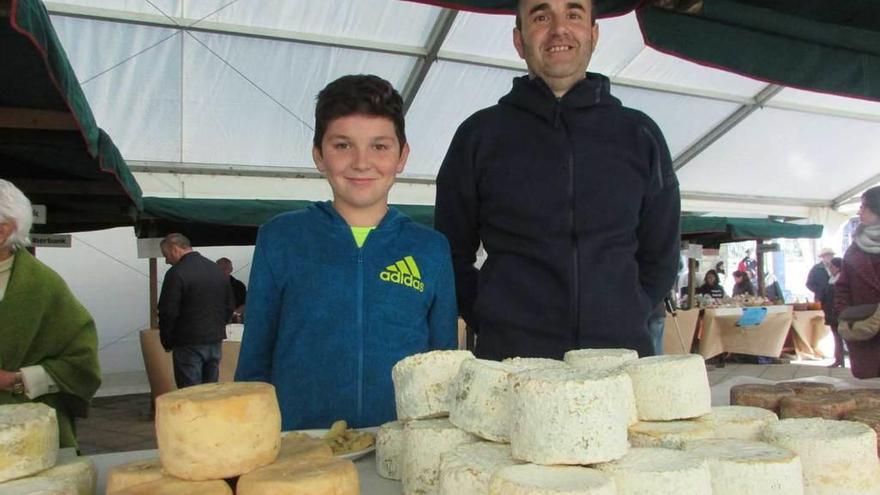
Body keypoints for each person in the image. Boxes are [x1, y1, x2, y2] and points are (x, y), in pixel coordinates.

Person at [434, 0, 680, 360]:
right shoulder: (479, 136)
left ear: (593, 35)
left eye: (574, 14)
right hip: (513, 366)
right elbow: (449, 251)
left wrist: (628, 310)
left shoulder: (640, 134)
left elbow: (661, 255)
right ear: (519, 40)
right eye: (541, 16)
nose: (559, 28)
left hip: (620, 363)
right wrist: (490, 312)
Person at [236, 75, 458, 430]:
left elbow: (444, 365)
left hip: (400, 445)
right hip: (301, 449)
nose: (361, 162)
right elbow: (254, 361)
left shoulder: (430, 249)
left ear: (402, 156)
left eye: (379, 147)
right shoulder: (281, 238)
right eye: (343, 145)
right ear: (318, 155)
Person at [0, 179, 101, 449]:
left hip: (26, 435)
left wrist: (13, 380)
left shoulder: (42, 285)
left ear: (3, 230)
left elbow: (82, 366)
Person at [158, 233, 234, 388]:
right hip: (214, 340)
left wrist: (167, 340)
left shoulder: (176, 273)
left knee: (191, 393)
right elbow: (229, 304)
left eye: (165, 255)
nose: (166, 261)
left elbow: (168, 311)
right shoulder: (216, 270)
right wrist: (220, 326)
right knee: (210, 391)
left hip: (187, 342)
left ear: (174, 249)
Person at [834, 186, 880, 378]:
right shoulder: (855, 248)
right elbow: (842, 287)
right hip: (865, 328)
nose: (859, 211)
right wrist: (845, 314)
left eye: (864, 206)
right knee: (869, 395)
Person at [822, 257, 844, 368]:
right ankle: (839, 359)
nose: (830, 268)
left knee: (843, 336)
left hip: (839, 313)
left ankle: (841, 359)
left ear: (837, 267)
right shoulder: (831, 279)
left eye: (831, 266)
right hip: (831, 312)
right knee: (837, 337)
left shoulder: (841, 280)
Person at [216, 257, 247, 323]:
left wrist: (233, 314)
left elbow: (244, 304)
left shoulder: (239, 285)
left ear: (231, 269)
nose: (223, 271)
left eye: (225, 268)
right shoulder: (209, 285)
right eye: (220, 269)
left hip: (234, 320)